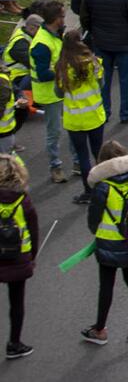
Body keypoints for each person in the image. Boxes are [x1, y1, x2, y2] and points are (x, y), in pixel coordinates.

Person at [80, 140, 128, 347]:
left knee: (106, 286)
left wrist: (96, 231)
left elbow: (94, 218)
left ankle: (99, 329)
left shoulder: (103, 186)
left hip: (109, 244)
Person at [56, 31, 106, 187]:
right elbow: (101, 84)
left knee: (83, 156)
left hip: (75, 120)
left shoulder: (62, 67)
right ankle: (102, 188)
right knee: (98, 154)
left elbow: (58, 93)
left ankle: (88, 190)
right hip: (95, 116)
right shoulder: (93, 62)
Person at [0, 153, 38, 358]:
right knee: (16, 302)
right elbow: (33, 230)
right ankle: (14, 343)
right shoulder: (23, 200)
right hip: (18, 257)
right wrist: (32, 256)